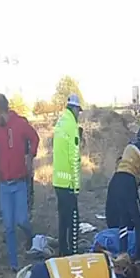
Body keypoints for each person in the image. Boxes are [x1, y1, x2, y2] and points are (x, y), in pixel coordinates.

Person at [0, 93, 40, 271]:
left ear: (4, 111)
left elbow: (34, 138)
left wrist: (30, 156)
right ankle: (14, 264)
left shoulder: (20, 125)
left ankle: (30, 236)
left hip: (19, 183)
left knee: (22, 220)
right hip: (4, 184)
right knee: (8, 225)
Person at [105, 125, 140, 256]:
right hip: (127, 183)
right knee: (137, 220)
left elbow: (124, 164)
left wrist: (137, 181)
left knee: (122, 219)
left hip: (116, 180)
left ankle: (122, 253)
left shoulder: (129, 146)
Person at [53, 94, 84, 256]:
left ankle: (62, 252)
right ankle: (73, 253)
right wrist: (76, 186)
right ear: (74, 108)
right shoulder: (72, 126)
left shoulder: (59, 123)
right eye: (78, 110)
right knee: (73, 220)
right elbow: (74, 158)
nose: (79, 114)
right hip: (68, 183)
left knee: (62, 221)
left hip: (58, 180)